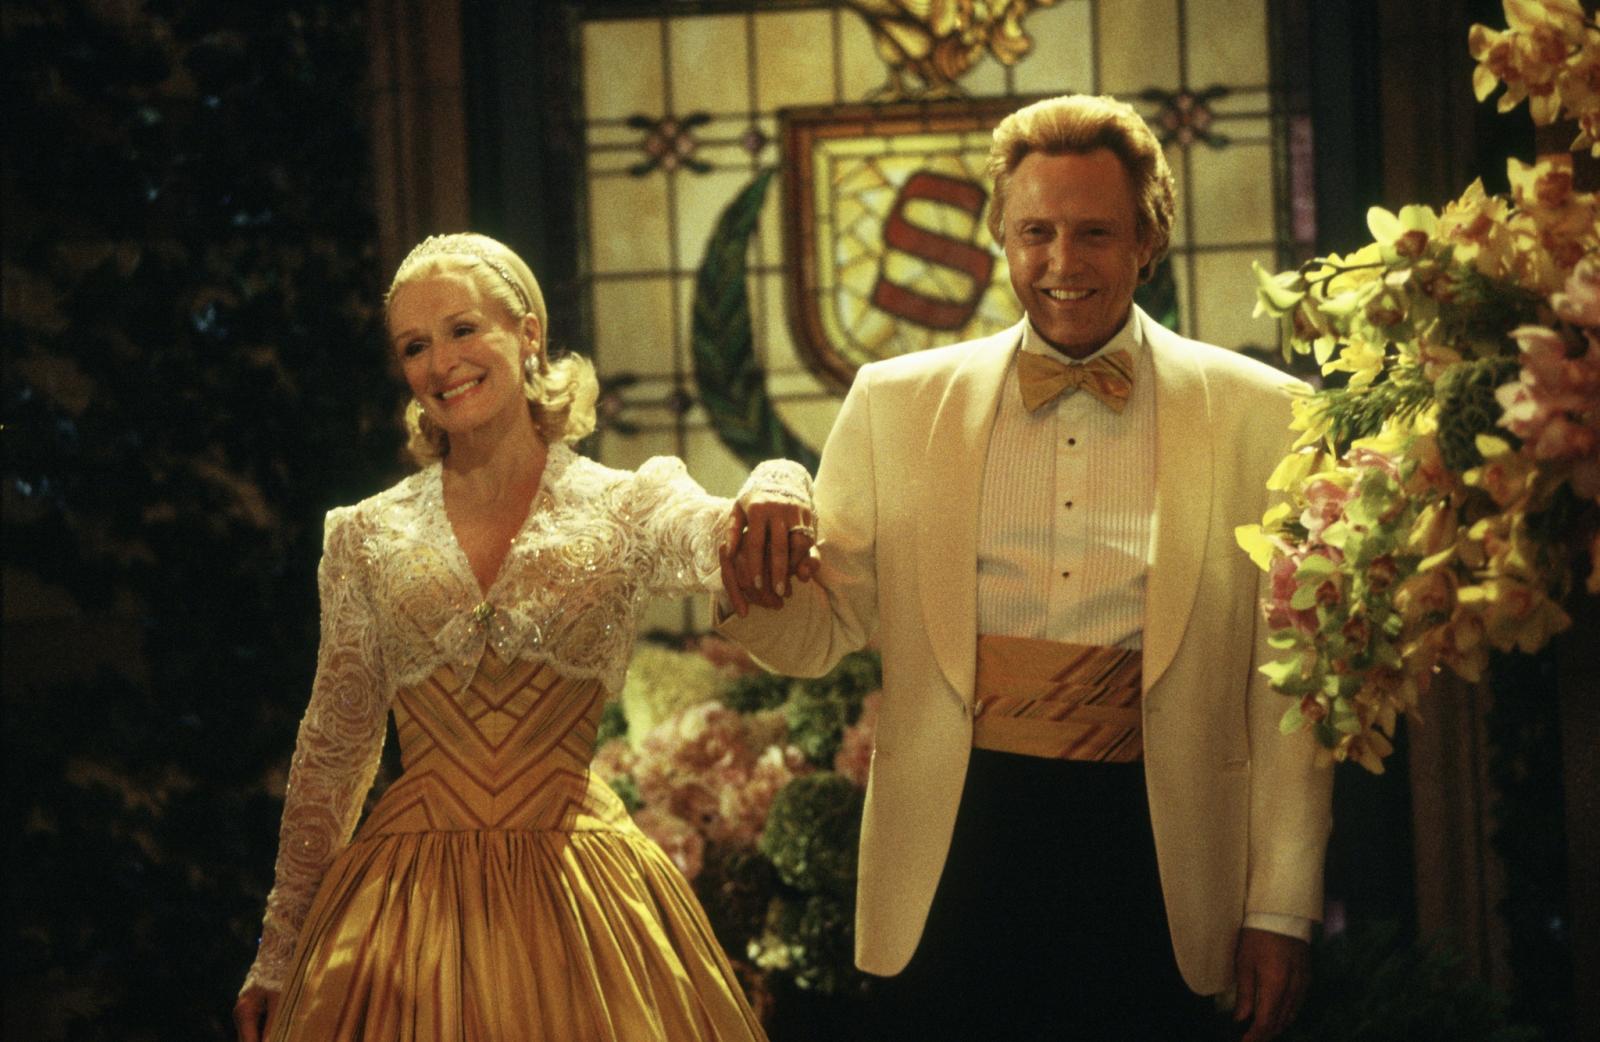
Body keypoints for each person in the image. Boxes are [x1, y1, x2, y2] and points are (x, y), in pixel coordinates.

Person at [720, 95, 1335, 1041]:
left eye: (1095, 232)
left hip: (1161, 858)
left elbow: (1290, 689)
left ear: (1147, 240)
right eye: (1036, 232)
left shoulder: (1268, 415)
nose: (1061, 262)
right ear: (1000, 236)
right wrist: (751, 534)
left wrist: (1281, 908)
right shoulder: (892, 403)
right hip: (953, 851)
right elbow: (818, 632)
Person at [233, 232, 815, 1042]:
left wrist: (781, 480)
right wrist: (278, 951)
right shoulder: (364, 536)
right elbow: (335, 750)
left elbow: (726, 532)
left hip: (578, 902)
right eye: (414, 346)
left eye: (463, 329)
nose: (441, 363)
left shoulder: (628, 506)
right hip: (404, 921)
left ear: (528, 333)